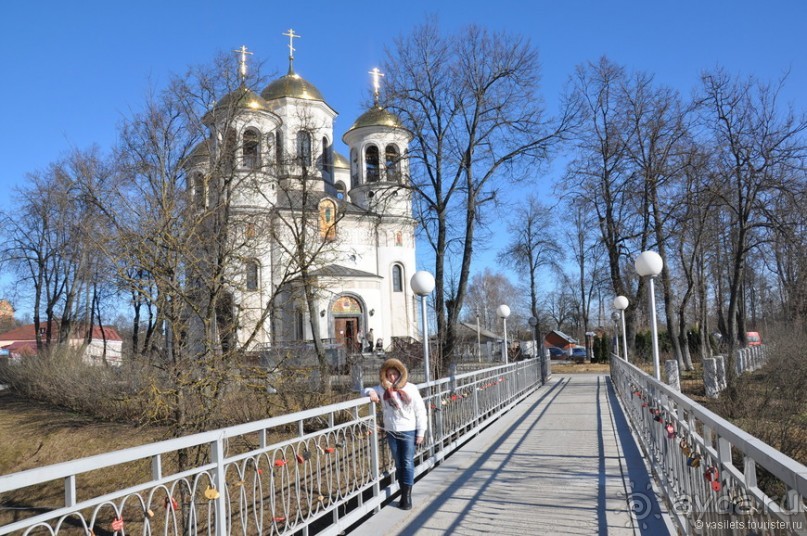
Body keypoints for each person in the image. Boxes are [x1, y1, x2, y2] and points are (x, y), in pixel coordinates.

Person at [364, 358, 427, 510]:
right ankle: (403, 493)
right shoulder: (382, 389)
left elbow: (420, 410)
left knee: (407, 462)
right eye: (389, 374)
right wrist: (371, 392)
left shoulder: (410, 388)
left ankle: (407, 498)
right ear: (384, 375)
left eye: (394, 374)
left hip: (408, 430)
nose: (392, 377)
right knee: (398, 463)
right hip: (391, 430)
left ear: (400, 373)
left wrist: (421, 432)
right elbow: (364, 390)